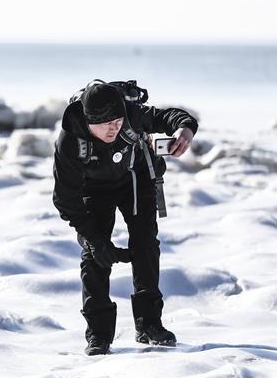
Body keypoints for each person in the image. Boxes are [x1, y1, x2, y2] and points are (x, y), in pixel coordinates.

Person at [52, 81, 198, 355]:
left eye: (118, 121)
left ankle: (150, 326)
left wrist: (185, 129)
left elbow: (170, 116)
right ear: (88, 121)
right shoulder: (70, 141)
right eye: (106, 124)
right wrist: (95, 240)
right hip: (93, 190)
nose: (114, 128)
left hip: (134, 177)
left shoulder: (131, 115)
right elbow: (65, 200)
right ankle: (98, 335)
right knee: (95, 255)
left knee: (146, 245)